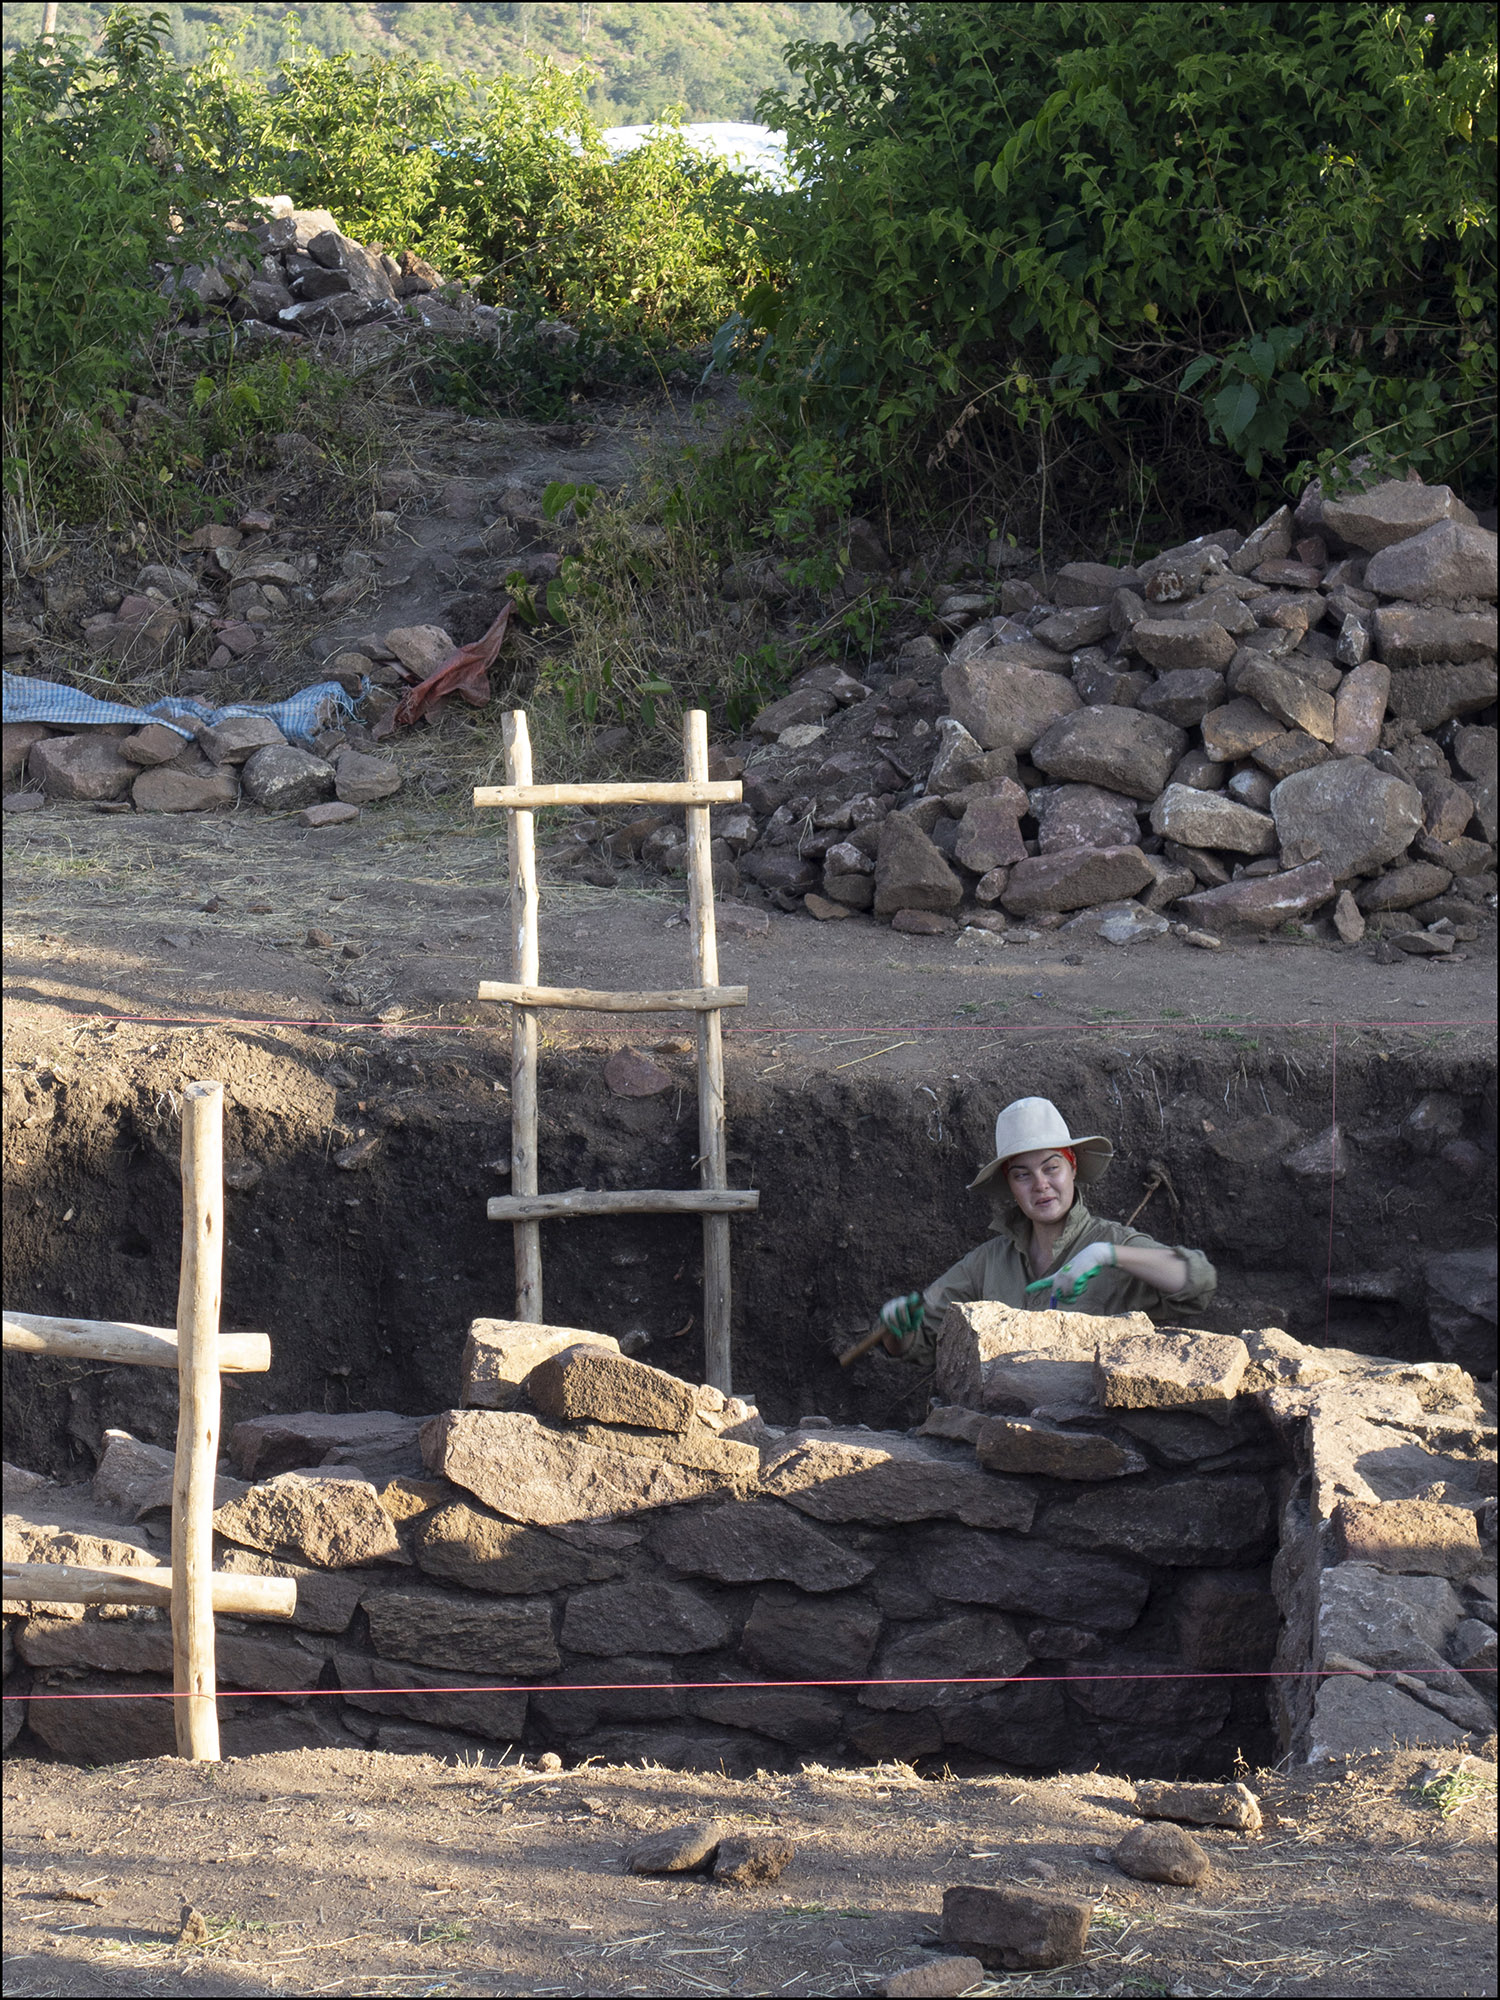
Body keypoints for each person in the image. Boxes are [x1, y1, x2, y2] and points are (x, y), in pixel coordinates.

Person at [878, 1096, 1216, 1364]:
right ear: (1010, 1185)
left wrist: (1106, 1256)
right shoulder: (986, 1263)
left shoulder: (1113, 1243)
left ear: (1072, 1168)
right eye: (1023, 1175)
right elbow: (917, 1343)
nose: (1041, 1185)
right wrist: (897, 1328)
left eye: (1051, 1168)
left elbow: (1197, 1282)